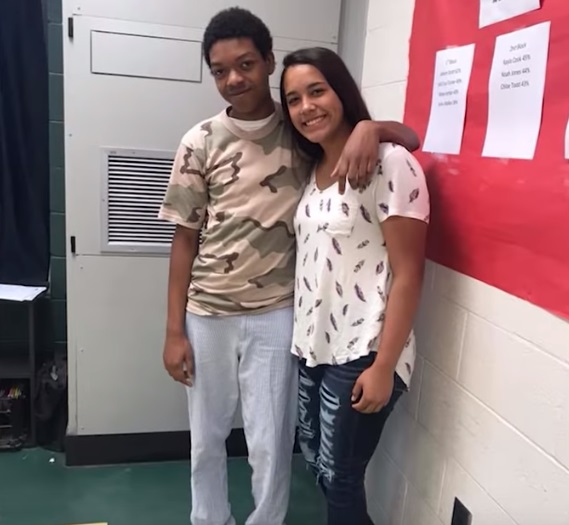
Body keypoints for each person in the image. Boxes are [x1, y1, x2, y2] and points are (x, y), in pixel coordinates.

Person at [158, 8, 420, 525]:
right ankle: (209, 518)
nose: (235, 78)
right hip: (207, 313)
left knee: (271, 442)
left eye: (246, 64)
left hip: (278, 314)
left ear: (268, 61)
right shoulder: (199, 141)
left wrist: (372, 127)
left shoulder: (300, 132)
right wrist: (173, 331)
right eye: (220, 70)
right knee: (206, 438)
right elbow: (183, 239)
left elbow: (406, 139)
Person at [280, 46, 430, 525]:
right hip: (313, 346)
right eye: (294, 99)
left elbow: (410, 272)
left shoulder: (390, 162)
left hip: (364, 348)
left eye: (317, 91)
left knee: (342, 477)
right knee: (320, 468)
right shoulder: (313, 171)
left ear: (341, 92)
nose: (306, 107)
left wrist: (384, 365)